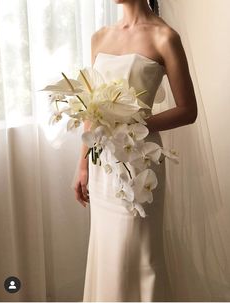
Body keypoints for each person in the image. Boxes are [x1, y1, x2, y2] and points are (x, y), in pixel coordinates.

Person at [74, 0, 197, 301]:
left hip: (139, 164)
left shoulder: (164, 37)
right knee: (106, 248)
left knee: (140, 253)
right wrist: (82, 166)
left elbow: (188, 110)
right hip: (103, 164)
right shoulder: (99, 37)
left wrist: (135, 122)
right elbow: (92, 110)